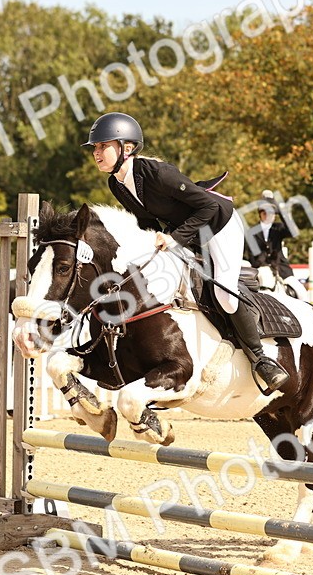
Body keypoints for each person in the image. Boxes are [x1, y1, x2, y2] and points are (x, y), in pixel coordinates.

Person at [83, 112, 289, 392]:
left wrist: (175, 239)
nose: (96, 152)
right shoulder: (116, 183)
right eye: (95, 147)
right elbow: (146, 221)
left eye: (102, 146)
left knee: (224, 295)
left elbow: (210, 207)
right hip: (187, 229)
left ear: (126, 148)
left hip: (219, 225)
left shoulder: (157, 173)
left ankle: (261, 359)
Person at [246, 196, 298, 294]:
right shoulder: (251, 232)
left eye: (271, 213)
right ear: (260, 214)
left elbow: (293, 232)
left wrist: (282, 213)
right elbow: (250, 255)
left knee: (301, 291)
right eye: (265, 213)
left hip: (281, 269)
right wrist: (260, 262)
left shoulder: (278, 228)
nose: (268, 216)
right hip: (260, 269)